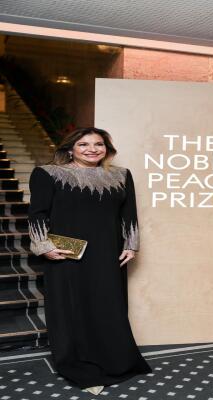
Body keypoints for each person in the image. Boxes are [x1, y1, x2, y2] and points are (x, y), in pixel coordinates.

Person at [28, 127, 151, 394]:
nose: (92, 149)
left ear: (107, 148)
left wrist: (131, 244)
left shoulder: (121, 175)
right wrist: (44, 246)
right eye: (83, 144)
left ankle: (114, 359)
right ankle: (79, 363)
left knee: (108, 305)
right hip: (66, 254)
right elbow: (37, 213)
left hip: (108, 253)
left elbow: (128, 213)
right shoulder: (47, 174)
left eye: (99, 144)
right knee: (72, 308)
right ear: (70, 149)